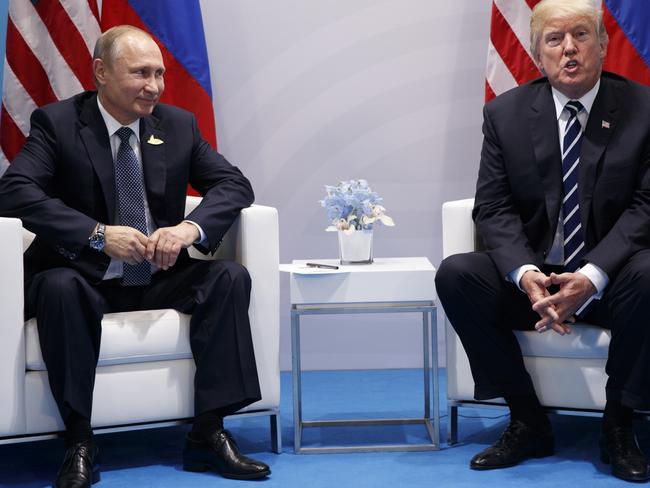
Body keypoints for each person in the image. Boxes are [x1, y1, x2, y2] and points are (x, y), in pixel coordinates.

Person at [0, 25, 270, 487]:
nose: (155, 86)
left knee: (227, 277)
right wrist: (98, 235)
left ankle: (208, 432)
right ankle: (80, 440)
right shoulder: (59, 123)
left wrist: (189, 228)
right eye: (141, 73)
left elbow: (234, 185)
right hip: (82, 274)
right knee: (59, 287)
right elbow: (15, 192)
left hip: (157, 274)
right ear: (101, 73)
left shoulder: (177, 124)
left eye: (160, 73)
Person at [435, 0, 650, 482]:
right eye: (554, 39)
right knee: (457, 274)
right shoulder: (505, 114)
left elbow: (647, 207)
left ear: (604, 45)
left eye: (581, 35)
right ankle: (526, 417)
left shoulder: (643, 109)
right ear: (537, 53)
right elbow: (491, 207)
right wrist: (528, 277)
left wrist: (592, 277)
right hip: (536, 285)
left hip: (614, 283)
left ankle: (619, 423)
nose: (569, 49)